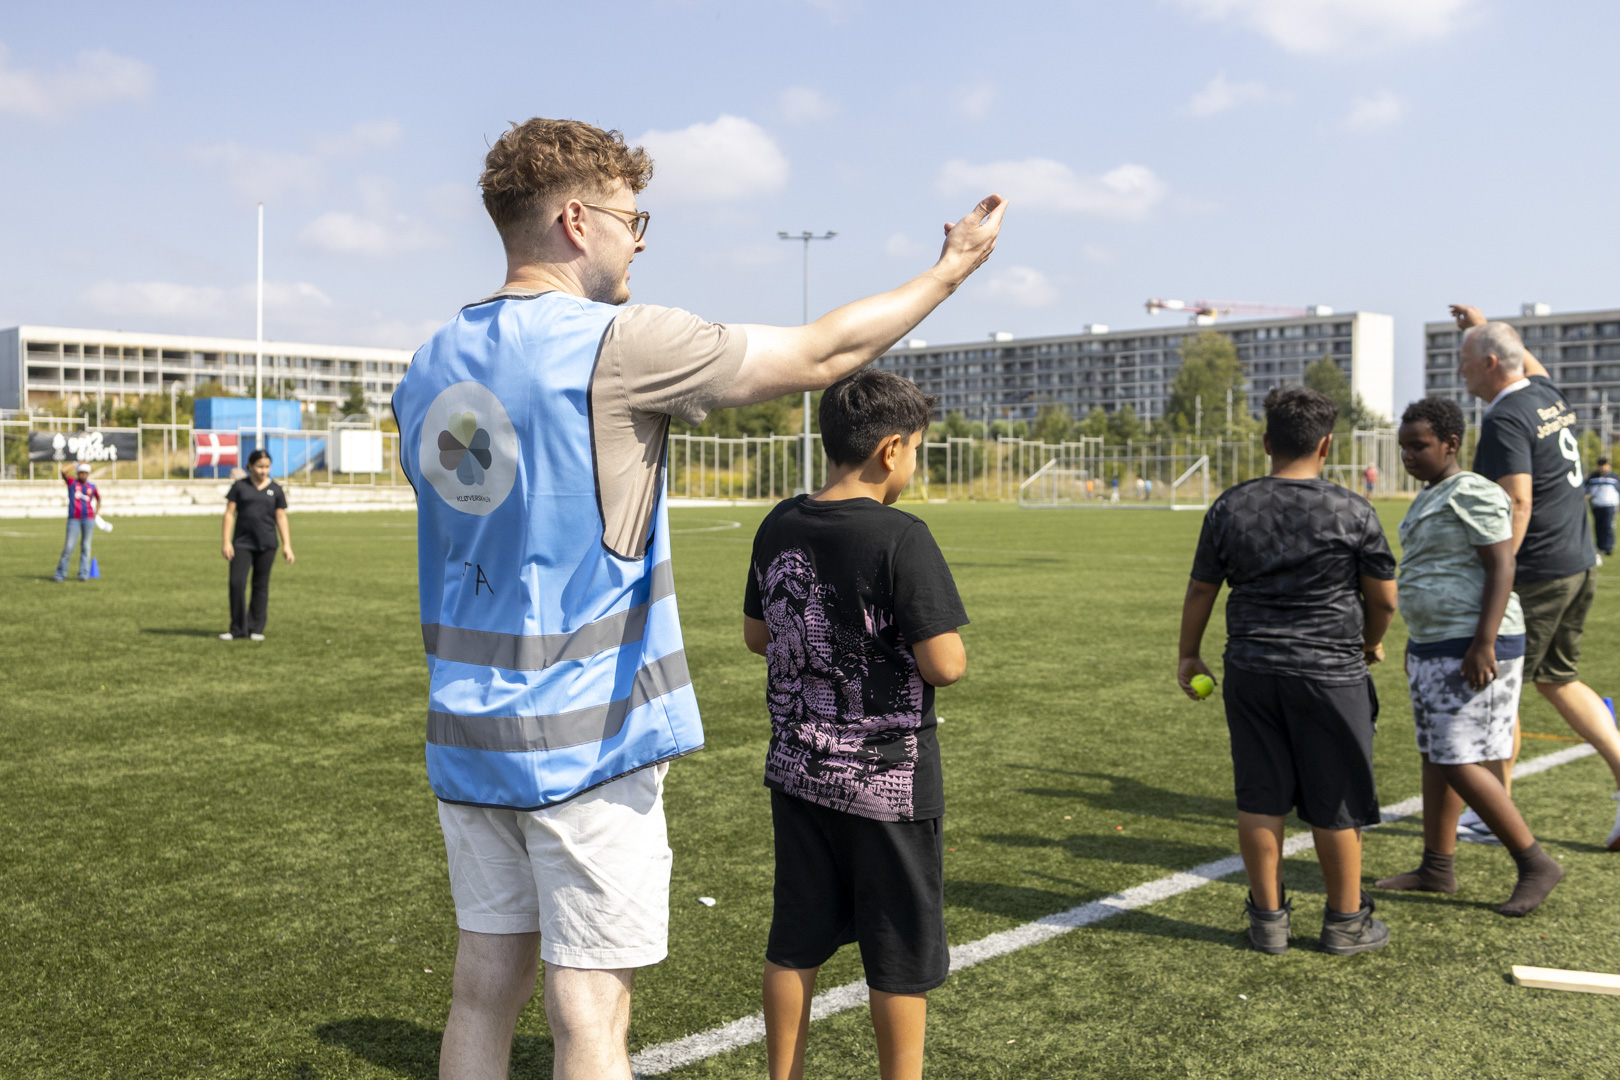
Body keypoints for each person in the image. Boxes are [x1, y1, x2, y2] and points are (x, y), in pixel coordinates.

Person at [390, 117, 1005, 1080]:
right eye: (635, 219)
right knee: (589, 1009)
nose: (640, 240)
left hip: (466, 731)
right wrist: (949, 273)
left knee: (481, 988)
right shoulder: (619, 344)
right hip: (586, 736)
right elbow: (819, 356)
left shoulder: (428, 363)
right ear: (574, 219)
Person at [743, 371, 968, 1080]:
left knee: (796, 938)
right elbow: (945, 664)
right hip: (886, 787)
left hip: (798, 771)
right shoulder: (902, 535)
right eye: (918, 452)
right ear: (891, 449)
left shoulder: (781, 520)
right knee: (898, 950)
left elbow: (757, 636)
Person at [1178, 386, 1398, 955]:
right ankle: (1346, 922)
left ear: (1267, 440)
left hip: (1252, 667)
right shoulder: (1353, 508)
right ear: (1327, 444)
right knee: (1335, 800)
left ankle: (1267, 922)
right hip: (1329, 670)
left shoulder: (1232, 505)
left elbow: (1203, 586)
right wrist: (1371, 643)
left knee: (1260, 796)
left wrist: (1188, 653)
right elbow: (1385, 599)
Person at [1373, 397, 1563, 916]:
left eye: (1420, 445)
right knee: (1437, 755)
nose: (1409, 455)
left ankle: (1534, 862)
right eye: (1404, 447)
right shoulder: (1431, 495)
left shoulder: (1474, 489)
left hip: (1475, 644)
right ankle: (1437, 867)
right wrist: (1418, 639)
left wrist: (1482, 642)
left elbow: (1502, 565)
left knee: (1459, 756)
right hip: (1437, 644)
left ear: (1451, 445)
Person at [1451, 305, 1620, 851]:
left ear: (1492, 363)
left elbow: (1517, 501)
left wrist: (1497, 576)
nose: (1461, 373)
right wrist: (1480, 324)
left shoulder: (1504, 417)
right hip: (1578, 562)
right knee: (1559, 679)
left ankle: (1491, 812)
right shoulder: (1545, 396)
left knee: (1504, 691)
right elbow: (1533, 368)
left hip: (1540, 571)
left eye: (1466, 363)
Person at [220, 449, 294, 641]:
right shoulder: (239, 487)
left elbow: (281, 517)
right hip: (242, 543)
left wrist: (287, 545)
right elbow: (229, 514)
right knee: (236, 583)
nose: (263, 471)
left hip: (267, 544)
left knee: (260, 586)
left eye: (267, 467)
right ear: (250, 466)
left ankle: (256, 628)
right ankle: (237, 628)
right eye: (260, 466)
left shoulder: (276, 490)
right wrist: (226, 541)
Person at [53, 461, 100, 582]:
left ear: (88, 474)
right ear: (78, 473)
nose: (83, 475)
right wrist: (76, 463)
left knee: (86, 547)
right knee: (68, 547)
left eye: (85, 473)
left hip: (88, 519)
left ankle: (83, 574)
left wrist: (96, 513)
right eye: (81, 473)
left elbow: (99, 499)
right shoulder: (72, 483)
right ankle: (60, 574)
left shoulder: (92, 487)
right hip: (74, 519)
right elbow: (63, 471)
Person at [1585, 457, 1618, 563]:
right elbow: (1585, 489)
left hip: (1609, 505)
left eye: (1604, 464)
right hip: (1596, 505)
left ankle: (1607, 547)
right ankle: (1600, 547)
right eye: (1600, 464)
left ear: (1609, 465)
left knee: (1607, 525)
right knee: (1598, 526)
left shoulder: (1614, 477)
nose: (1602, 467)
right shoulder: (1592, 477)